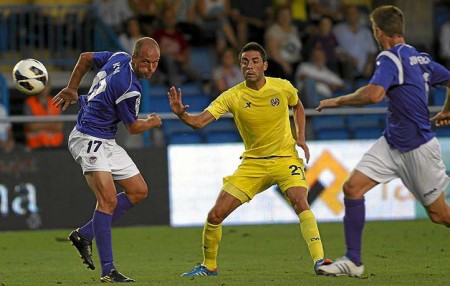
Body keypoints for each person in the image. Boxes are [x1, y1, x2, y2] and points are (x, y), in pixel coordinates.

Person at [167, 42, 331, 277]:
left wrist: (301, 137)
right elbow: (199, 122)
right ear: (240, 66)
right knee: (215, 216)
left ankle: (320, 261)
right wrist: (182, 114)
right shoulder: (232, 96)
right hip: (253, 164)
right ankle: (209, 266)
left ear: (264, 65)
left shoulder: (282, 87)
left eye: (255, 61)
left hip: (285, 158)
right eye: (245, 61)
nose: (249, 66)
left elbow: (298, 105)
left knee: (300, 201)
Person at [315, 5, 450, 277]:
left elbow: (374, 95)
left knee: (440, 216)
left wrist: (338, 100)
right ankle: (353, 261)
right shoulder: (419, 58)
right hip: (391, 143)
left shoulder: (389, 58)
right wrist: (447, 109)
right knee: (352, 188)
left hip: (418, 148)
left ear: (378, 31)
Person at [52, 37, 163, 282]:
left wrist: (73, 88)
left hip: (106, 139)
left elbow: (85, 58)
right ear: (135, 58)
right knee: (108, 200)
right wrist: (153, 122)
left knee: (138, 191)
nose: (151, 68)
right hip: (88, 138)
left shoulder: (118, 57)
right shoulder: (130, 88)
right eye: (146, 62)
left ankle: (84, 234)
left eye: (155, 63)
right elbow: (133, 128)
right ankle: (108, 270)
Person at [23, 82, 64, 151]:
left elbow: (59, 126)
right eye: (41, 84)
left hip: (56, 146)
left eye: (46, 85)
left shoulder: (56, 101)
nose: (44, 88)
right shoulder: (29, 103)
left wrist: (39, 125)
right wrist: (51, 124)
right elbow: (31, 127)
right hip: (35, 147)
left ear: (49, 86)